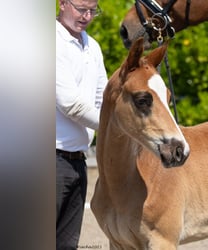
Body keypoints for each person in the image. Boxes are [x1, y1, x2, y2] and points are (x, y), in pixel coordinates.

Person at [56, 0, 107, 249]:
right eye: (81, 8)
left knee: (67, 244)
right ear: (62, 3)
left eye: (93, 10)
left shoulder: (92, 46)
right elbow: (70, 104)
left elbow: (103, 98)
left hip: (78, 161)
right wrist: (117, 127)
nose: (87, 16)